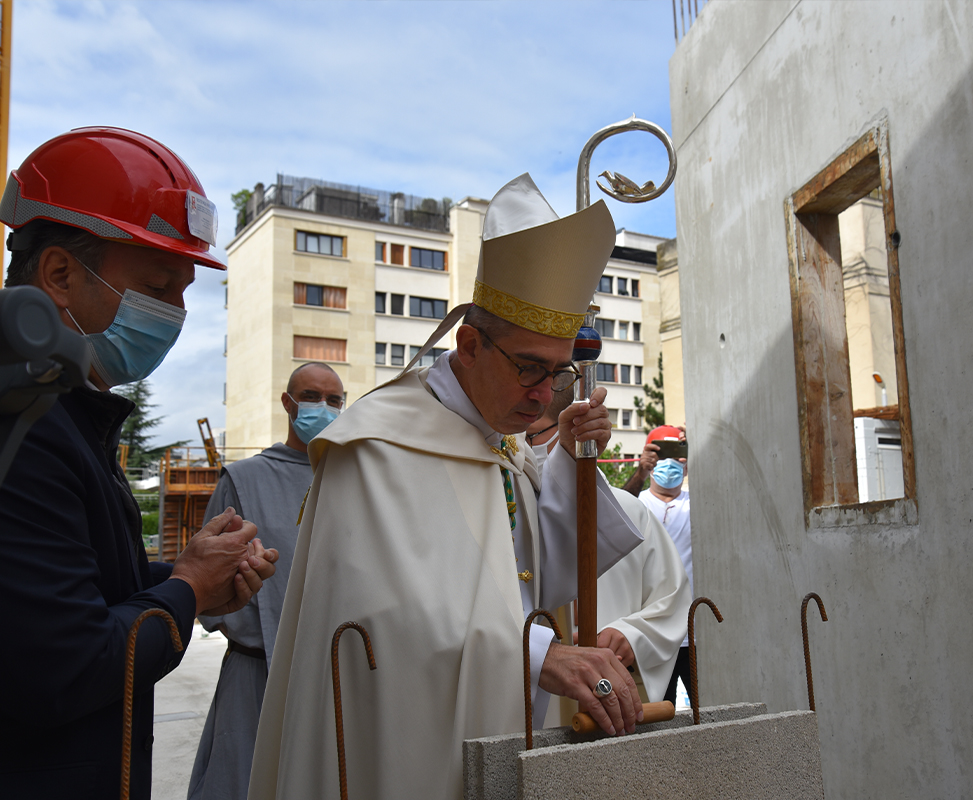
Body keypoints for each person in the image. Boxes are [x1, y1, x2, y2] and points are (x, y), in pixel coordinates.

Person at [250, 174, 647, 800]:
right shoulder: (377, 445)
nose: (543, 394)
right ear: (468, 344)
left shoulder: (502, 445)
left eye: (558, 373)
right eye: (528, 368)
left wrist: (569, 458)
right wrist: (535, 652)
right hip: (403, 748)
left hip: (506, 723)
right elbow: (377, 622)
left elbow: (539, 573)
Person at [0, 127, 278, 800]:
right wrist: (185, 590)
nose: (176, 313)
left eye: (181, 290)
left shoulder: (60, 413)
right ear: (60, 274)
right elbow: (66, 666)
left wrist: (192, 579)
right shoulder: (24, 428)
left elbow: (70, 584)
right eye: (158, 286)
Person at [189, 362, 343, 799]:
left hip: (332, 673)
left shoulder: (350, 476)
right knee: (246, 781)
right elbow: (209, 585)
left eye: (335, 400)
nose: (324, 407)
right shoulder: (243, 479)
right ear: (288, 403)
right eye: (312, 397)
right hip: (256, 669)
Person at [527, 393, 691, 723]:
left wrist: (632, 634)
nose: (526, 451)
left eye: (533, 438)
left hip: (613, 693)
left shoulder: (629, 512)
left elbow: (673, 597)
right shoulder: (512, 516)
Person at [634, 425, 692, 706]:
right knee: (657, 717)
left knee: (705, 714)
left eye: (676, 454)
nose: (669, 462)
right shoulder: (637, 503)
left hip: (693, 634)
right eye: (660, 454)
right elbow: (609, 512)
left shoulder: (698, 504)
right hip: (653, 636)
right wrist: (640, 473)